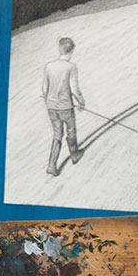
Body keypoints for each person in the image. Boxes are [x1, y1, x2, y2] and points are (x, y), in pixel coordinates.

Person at [42, 36, 86, 177]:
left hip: (51, 106)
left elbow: (44, 88)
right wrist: (81, 101)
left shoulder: (49, 66)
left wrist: (49, 101)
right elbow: (74, 89)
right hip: (66, 107)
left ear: (59, 49)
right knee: (71, 130)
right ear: (71, 51)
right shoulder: (71, 67)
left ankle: (51, 165)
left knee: (57, 134)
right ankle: (74, 154)